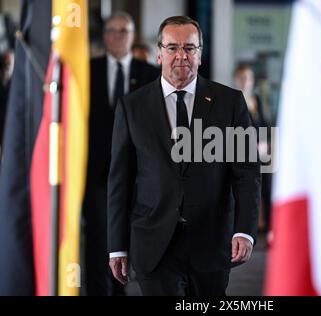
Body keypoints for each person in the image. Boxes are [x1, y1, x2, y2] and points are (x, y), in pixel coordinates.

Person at [108, 16, 260, 296]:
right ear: (159, 53)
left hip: (211, 243)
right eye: (172, 47)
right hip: (153, 245)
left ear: (200, 54)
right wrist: (117, 244)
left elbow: (246, 173)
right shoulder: (132, 107)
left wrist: (244, 230)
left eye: (189, 48)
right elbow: (120, 181)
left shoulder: (230, 103)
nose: (181, 56)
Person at [83, 11, 160, 296]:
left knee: (130, 246)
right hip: (96, 174)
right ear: (104, 37)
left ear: (132, 35)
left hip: (139, 176)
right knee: (98, 244)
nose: (118, 36)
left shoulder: (150, 74)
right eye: (112, 31)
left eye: (124, 31)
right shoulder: (87, 70)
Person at [234, 64, 272, 233]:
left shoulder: (256, 99)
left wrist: (266, 143)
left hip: (262, 151)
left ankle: (269, 226)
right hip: (244, 153)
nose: (245, 81)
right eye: (242, 78)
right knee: (249, 190)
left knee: (267, 187)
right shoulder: (234, 101)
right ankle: (249, 227)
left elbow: (264, 124)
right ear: (236, 79)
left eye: (248, 78)